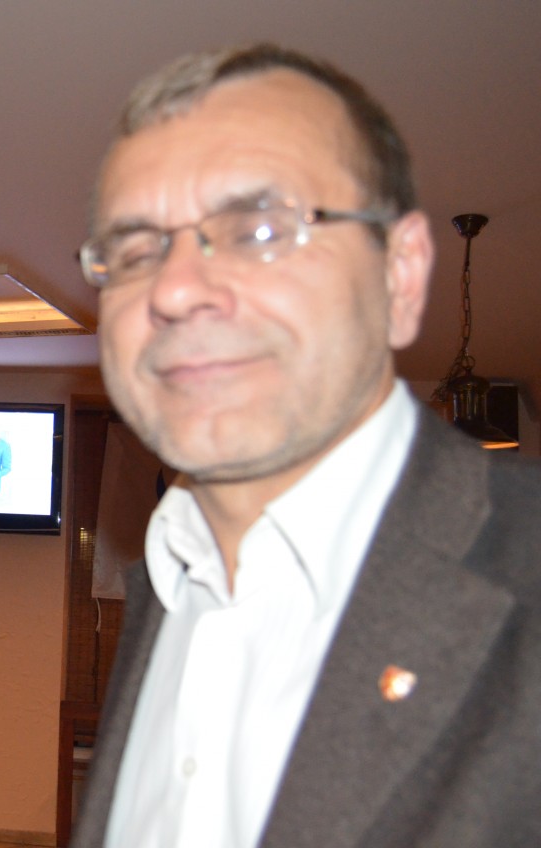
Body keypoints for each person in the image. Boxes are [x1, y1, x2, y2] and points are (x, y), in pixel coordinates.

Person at [70, 44, 541, 848]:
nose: (174, 289)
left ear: (400, 275)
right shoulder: (166, 588)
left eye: (258, 228)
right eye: (136, 249)